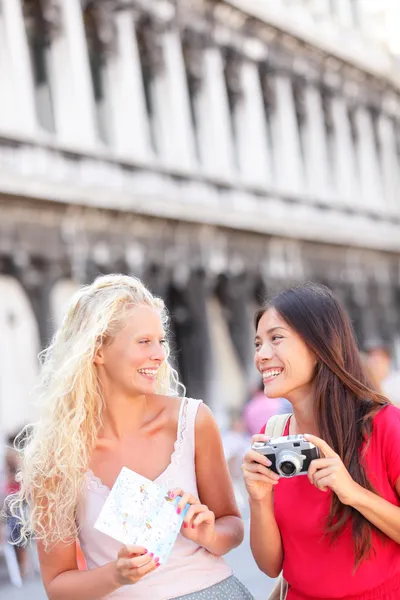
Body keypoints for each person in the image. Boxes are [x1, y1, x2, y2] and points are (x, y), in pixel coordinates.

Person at [8, 274, 254, 600]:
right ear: (98, 350)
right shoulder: (58, 457)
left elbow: (232, 527)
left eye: (160, 341)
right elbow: (57, 585)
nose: (159, 355)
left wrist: (208, 533)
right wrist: (116, 575)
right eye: (143, 342)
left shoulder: (192, 421)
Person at [242, 283, 400, 600]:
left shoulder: (383, 425)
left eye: (276, 338)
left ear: (319, 345)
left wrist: (352, 492)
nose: (261, 355)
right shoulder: (275, 434)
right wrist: (259, 499)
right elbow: (271, 566)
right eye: (258, 343)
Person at [363, 340, 400, 406]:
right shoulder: (369, 384)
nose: (373, 365)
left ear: (386, 359)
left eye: (376, 361)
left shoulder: (397, 380)